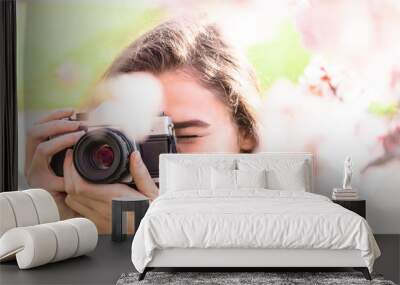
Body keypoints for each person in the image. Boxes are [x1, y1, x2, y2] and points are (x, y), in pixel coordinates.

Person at [24, 18, 262, 233]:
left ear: (246, 132)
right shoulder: (81, 210)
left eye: (187, 135)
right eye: (126, 140)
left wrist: (148, 232)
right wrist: (57, 224)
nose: (145, 164)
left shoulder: (272, 223)